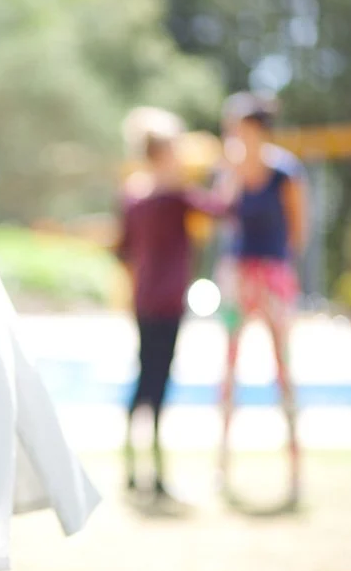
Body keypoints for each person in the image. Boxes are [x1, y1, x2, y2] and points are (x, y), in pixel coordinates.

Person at [116, 107, 222, 497]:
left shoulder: (135, 195)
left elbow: (122, 250)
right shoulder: (174, 196)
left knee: (145, 376)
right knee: (156, 381)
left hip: (144, 299)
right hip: (163, 302)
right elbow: (222, 209)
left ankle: (135, 466)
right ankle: (152, 471)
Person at [215, 92, 308, 506]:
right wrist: (231, 173)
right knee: (229, 372)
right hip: (238, 277)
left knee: (283, 370)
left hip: (272, 277)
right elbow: (218, 212)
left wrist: (276, 276)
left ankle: (295, 471)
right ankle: (222, 466)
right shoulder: (231, 170)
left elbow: (298, 230)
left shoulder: (286, 171)